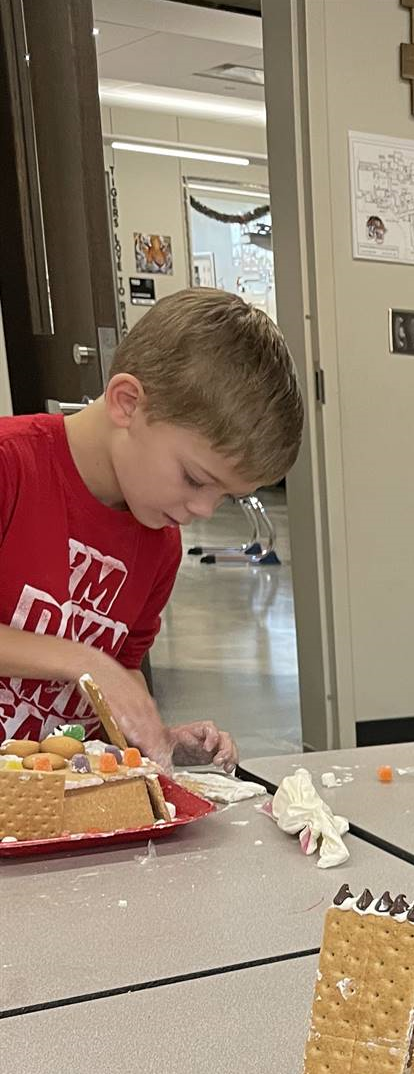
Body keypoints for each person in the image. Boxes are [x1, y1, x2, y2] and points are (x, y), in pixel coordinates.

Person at [0, 287, 305, 768]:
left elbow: (122, 671)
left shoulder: (159, 541)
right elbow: (102, 667)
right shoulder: (10, 466)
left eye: (224, 495)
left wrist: (158, 738)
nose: (205, 509)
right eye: (195, 479)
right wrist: (85, 660)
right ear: (127, 403)